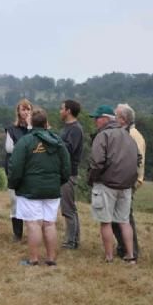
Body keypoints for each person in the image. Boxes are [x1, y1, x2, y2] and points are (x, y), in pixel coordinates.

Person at [8, 107, 70, 266]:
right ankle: (51, 259)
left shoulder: (25, 141)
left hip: (30, 190)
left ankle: (33, 259)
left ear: (31, 122)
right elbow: (66, 167)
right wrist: (58, 182)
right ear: (46, 122)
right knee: (49, 223)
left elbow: (15, 167)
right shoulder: (58, 141)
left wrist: (14, 185)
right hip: (52, 190)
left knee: (33, 223)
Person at [88, 105, 138, 264]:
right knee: (124, 221)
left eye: (97, 118)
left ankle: (109, 257)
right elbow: (138, 159)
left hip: (106, 184)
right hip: (126, 186)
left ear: (105, 119)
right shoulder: (128, 135)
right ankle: (130, 256)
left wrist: (91, 179)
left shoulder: (102, 136)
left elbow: (97, 162)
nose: (95, 121)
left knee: (106, 222)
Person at [112, 103, 145, 259]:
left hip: (128, 182)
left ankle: (132, 251)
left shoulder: (133, 136)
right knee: (119, 217)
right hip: (125, 181)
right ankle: (123, 248)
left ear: (123, 119)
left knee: (125, 217)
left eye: (116, 116)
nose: (114, 118)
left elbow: (135, 162)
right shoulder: (128, 133)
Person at [4, 98, 33, 242]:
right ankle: (17, 234)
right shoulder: (11, 129)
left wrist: (29, 128)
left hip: (31, 171)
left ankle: (32, 233)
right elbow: (9, 149)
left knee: (30, 203)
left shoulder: (36, 129)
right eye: (23, 109)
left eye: (28, 109)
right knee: (15, 201)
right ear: (18, 111)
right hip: (14, 169)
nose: (26, 112)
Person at [59, 100, 84, 249]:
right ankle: (74, 240)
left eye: (62, 108)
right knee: (70, 208)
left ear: (68, 111)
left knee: (68, 209)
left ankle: (70, 242)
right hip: (65, 172)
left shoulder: (75, 129)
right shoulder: (68, 128)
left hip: (68, 173)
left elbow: (68, 150)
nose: (60, 111)